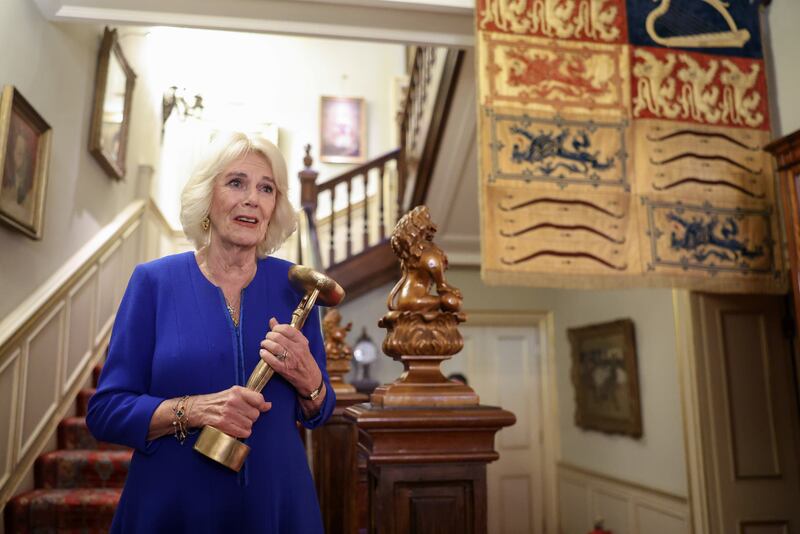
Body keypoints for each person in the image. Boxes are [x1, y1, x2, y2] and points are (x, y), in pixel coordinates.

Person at [87, 131, 336, 533]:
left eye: (266, 188)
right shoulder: (154, 282)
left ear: (274, 207)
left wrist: (311, 383)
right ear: (208, 197)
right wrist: (196, 409)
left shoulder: (297, 287)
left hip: (277, 506)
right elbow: (105, 411)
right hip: (172, 506)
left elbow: (320, 412)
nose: (252, 198)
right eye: (236, 182)